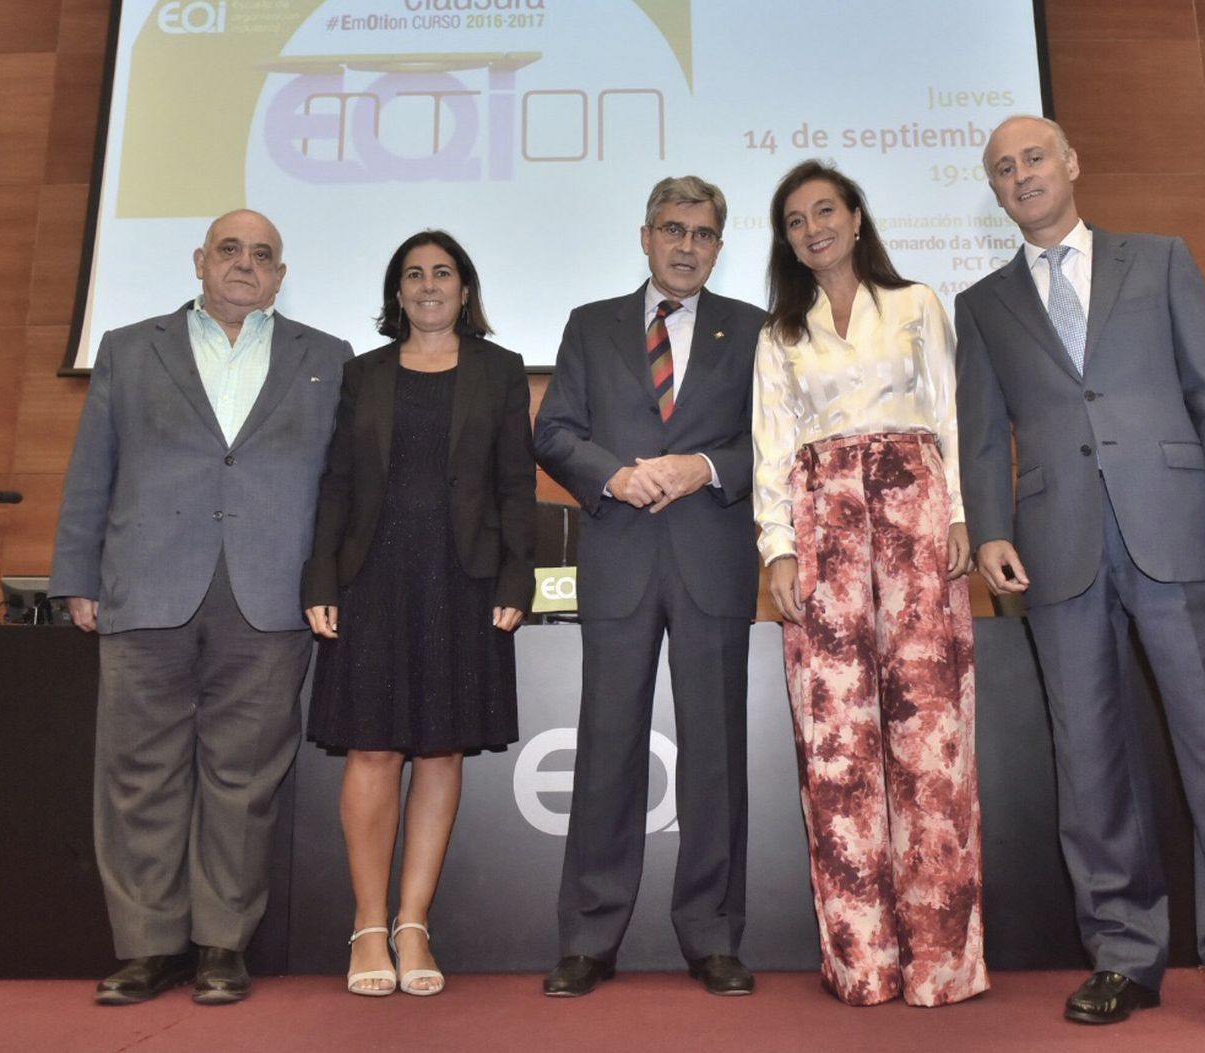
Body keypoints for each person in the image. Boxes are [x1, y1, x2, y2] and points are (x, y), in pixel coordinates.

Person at [955, 115, 1205, 1040]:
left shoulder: (1162, 258)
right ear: (993, 193)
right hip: (1055, 549)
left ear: (1070, 164)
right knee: (1091, 760)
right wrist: (987, 532)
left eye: (1033, 158)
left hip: (1176, 530)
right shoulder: (981, 305)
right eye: (1002, 170)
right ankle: (1122, 953)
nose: (1020, 176)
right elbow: (982, 436)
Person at [50, 209, 352, 1005]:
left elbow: (340, 489)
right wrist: (76, 574)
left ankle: (222, 943)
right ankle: (147, 946)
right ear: (199, 261)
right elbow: (93, 470)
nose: (245, 264)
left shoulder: (327, 357)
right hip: (146, 587)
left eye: (262, 255)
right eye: (230, 250)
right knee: (138, 777)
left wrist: (335, 582)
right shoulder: (126, 346)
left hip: (271, 594)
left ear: (280, 275)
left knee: (245, 781)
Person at [752, 160, 987, 1007]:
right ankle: (862, 962)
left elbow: (954, 415)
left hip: (918, 514)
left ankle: (941, 963)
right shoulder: (781, 333)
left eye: (825, 210)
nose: (812, 227)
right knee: (837, 747)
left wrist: (962, 513)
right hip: (823, 533)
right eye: (794, 220)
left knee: (931, 739)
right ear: (786, 241)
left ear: (856, 218)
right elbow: (771, 449)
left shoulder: (917, 302)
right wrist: (777, 549)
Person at [533, 176, 764, 997]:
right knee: (605, 751)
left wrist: (702, 466)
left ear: (719, 244)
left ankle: (712, 935)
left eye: (703, 233)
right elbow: (553, 430)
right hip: (620, 555)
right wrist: (614, 475)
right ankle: (590, 937)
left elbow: (776, 442)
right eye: (673, 228)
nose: (686, 245)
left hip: (713, 558)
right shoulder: (589, 325)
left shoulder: (758, 331)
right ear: (644, 235)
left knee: (715, 756)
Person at [300, 230, 534, 997]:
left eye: (443, 273)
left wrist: (515, 578)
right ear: (395, 293)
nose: (428, 285)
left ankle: (413, 922)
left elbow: (513, 488)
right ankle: (368, 925)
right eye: (413, 274)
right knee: (372, 748)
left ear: (465, 290)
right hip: (370, 578)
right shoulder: (360, 374)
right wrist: (320, 577)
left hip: (462, 582)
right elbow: (335, 484)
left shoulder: (500, 372)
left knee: (440, 750)